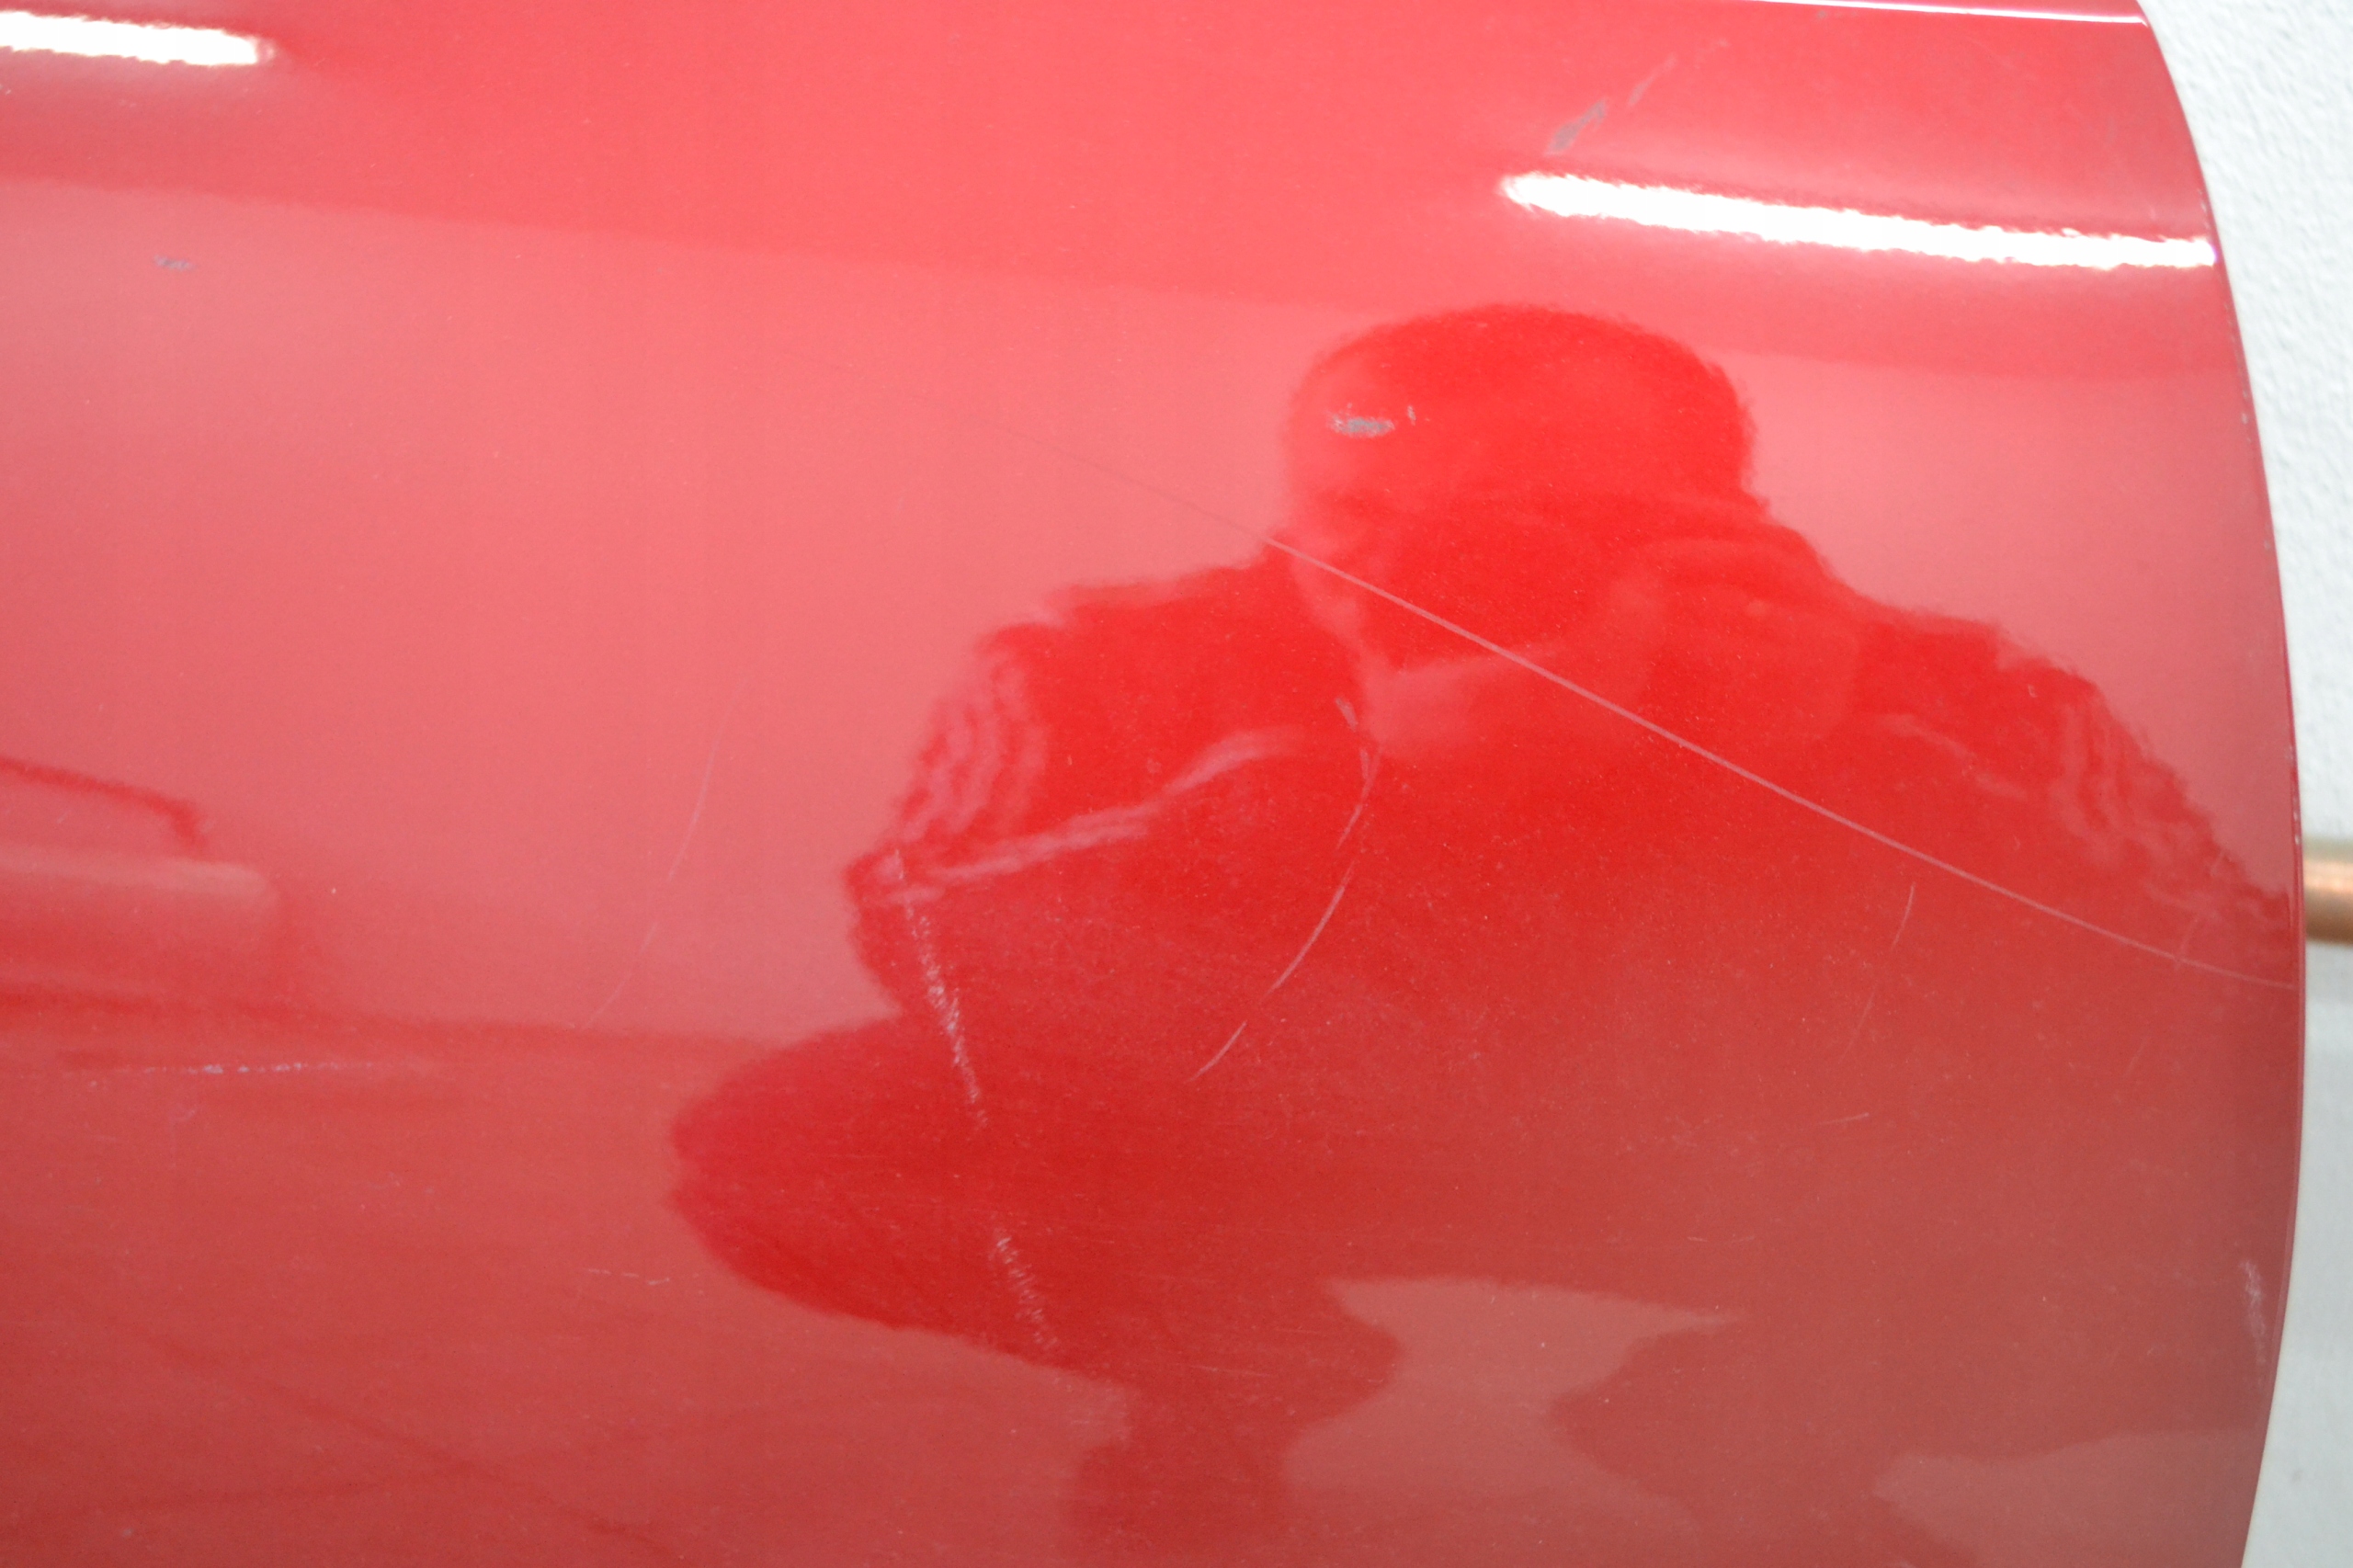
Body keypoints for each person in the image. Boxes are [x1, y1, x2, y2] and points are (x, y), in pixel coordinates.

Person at [675, 307, 2294, 1562]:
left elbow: (2221, 987)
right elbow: (929, 932)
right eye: (1350, 507)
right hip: (1273, 1146)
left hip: (1765, 1164)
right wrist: (1336, 783)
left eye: (1537, 519)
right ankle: (1225, 1378)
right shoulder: (1107, 660)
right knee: (786, 1150)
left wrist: (1845, 762)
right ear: (1288, 496)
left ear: (1720, 515)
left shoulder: (1954, 686)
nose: (1407, 567)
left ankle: (1765, 1427)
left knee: (2262, 1249)